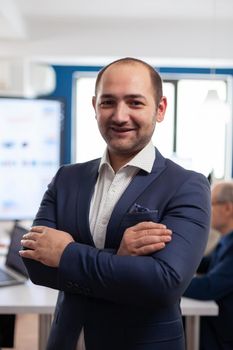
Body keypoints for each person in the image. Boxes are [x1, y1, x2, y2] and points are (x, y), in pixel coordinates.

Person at [19, 57, 211, 350]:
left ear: (160, 109)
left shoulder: (187, 185)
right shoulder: (67, 178)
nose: (120, 116)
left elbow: (165, 283)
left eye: (135, 103)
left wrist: (66, 254)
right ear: (94, 106)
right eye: (108, 102)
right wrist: (119, 259)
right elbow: (36, 265)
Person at [184, 181, 233, 350]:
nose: (207, 210)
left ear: (227, 208)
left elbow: (209, 287)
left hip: (222, 334)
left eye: (210, 203)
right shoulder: (226, 240)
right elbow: (205, 264)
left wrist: (170, 280)